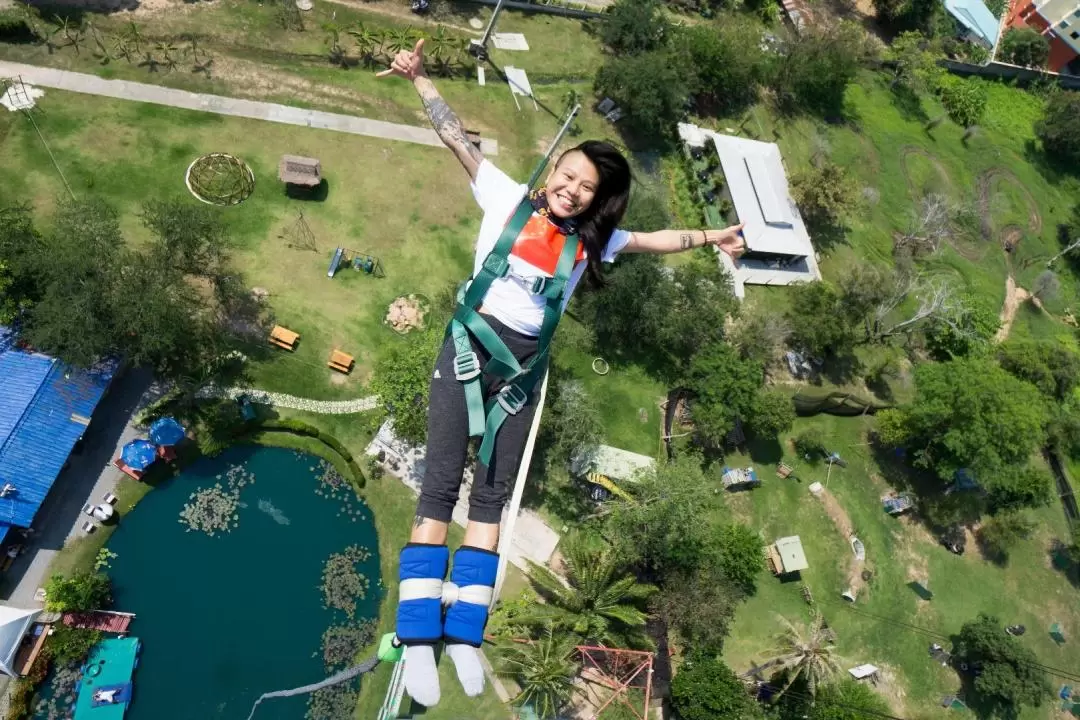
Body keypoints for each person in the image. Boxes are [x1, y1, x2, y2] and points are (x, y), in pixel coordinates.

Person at [378, 40, 747, 707]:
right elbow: (456, 138)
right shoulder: (505, 198)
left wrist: (711, 235)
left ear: (597, 200)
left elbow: (657, 240)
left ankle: (462, 634)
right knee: (437, 491)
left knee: (488, 501)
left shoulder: (593, 242)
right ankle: (416, 634)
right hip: (466, 355)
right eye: (568, 175)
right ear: (553, 172)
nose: (572, 189)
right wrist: (421, 79)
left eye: (586, 187)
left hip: (521, 373)